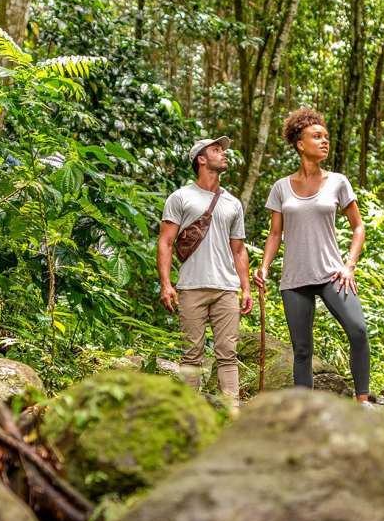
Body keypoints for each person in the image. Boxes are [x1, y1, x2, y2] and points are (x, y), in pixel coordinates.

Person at [253, 109, 372, 404]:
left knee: (358, 330)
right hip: (295, 278)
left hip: (332, 273)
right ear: (299, 144)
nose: (324, 142)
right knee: (302, 349)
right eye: (316, 137)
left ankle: (362, 401)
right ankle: (304, 413)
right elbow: (275, 234)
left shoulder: (338, 182)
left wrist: (349, 265)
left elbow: (358, 227)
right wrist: (264, 268)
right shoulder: (281, 187)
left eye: (326, 137)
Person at [157, 136, 253, 409]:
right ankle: (191, 413)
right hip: (191, 286)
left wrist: (245, 288)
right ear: (200, 159)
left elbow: (238, 249)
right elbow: (165, 242)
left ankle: (232, 412)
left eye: (223, 150)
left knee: (228, 354)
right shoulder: (181, 197)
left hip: (226, 287)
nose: (223, 154)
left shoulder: (232, 203)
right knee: (191, 355)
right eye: (216, 150)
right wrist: (166, 284)